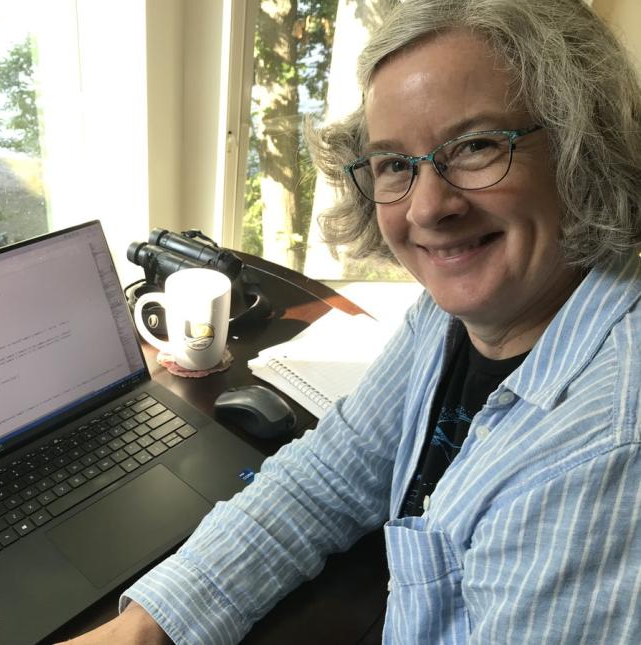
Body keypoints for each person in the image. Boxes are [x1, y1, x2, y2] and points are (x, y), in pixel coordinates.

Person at [67, 0, 641, 642]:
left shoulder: (608, 453)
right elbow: (330, 476)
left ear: (581, 147)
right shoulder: (452, 316)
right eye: (395, 163)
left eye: (477, 146)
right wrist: (142, 629)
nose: (428, 207)